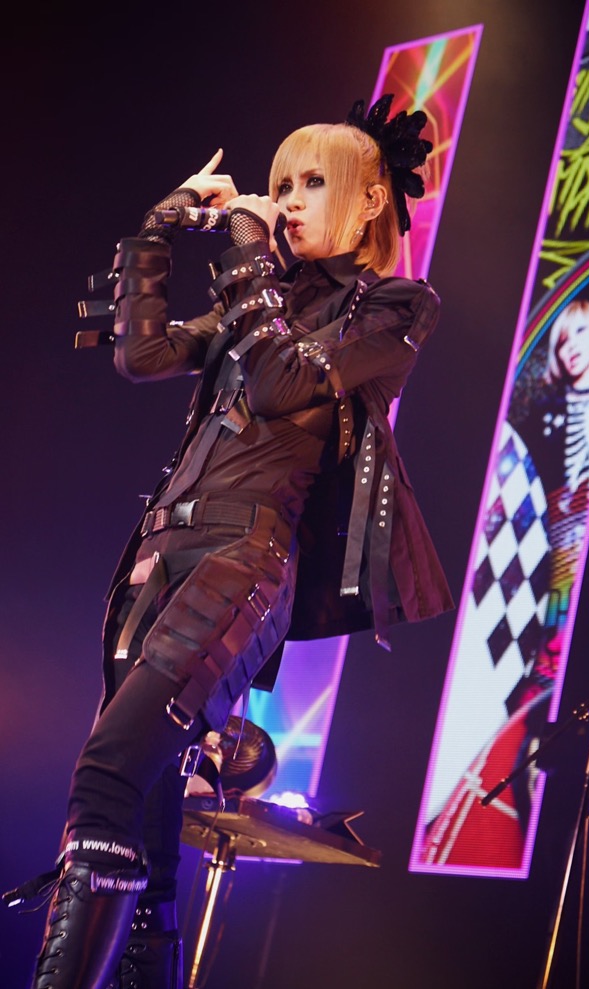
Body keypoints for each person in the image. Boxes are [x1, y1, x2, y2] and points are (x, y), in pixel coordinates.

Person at [4, 94, 453, 989]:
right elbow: (142, 354)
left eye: (312, 182)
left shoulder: (394, 307)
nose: (286, 200)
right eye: (280, 185)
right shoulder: (263, 306)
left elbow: (286, 382)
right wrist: (158, 228)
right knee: (144, 834)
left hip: (241, 564)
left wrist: (246, 243)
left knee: (107, 775)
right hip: (154, 564)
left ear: (371, 200)